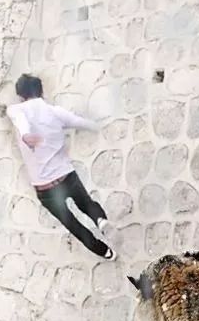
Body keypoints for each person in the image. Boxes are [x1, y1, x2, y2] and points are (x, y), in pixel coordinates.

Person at [6, 73, 116, 260]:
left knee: (72, 224)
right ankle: (100, 220)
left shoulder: (16, 110)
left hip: (46, 189)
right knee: (87, 204)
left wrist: (26, 135)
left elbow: (22, 123)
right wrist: (100, 126)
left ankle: (105, 252)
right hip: (66, 176)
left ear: (21, 95)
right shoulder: (55, 112)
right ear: (41, 91)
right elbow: (81, 123)